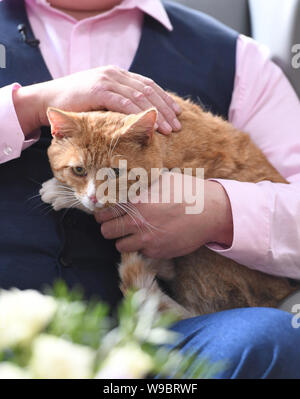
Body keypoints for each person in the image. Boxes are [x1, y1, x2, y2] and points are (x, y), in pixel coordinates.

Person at [1, 0, 300, 378]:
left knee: (269, 339)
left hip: (171, 343)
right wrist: (28, 106)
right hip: (9, 329)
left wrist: (218, 211)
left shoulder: (238, 58)